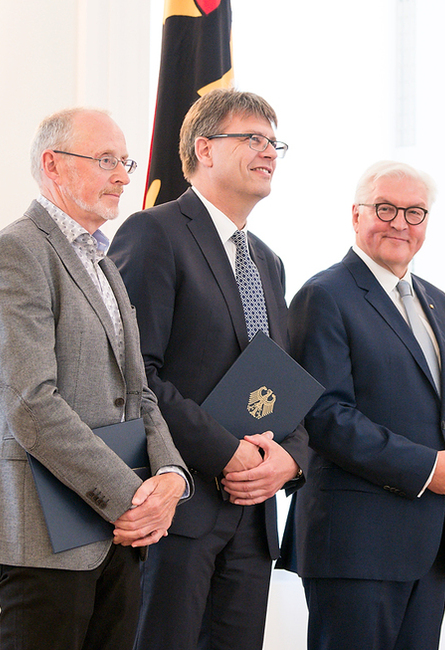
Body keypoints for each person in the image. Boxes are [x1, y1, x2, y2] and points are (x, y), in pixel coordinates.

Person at [0, 108, 191, 650]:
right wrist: (132, 500)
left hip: (119, 536)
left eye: (125, 161)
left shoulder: (103, 260)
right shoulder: (16, 251)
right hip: (47, 532)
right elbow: (33, 404)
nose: (124, 176)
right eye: (106, 160)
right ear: (53, 166)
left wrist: (173, 476)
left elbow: (139, 391)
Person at [108, 89, 309, 650]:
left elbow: (281, 381)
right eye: (253, 138)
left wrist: (289, 459)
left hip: (252, 521)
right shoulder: (155, 232)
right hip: (180, 511)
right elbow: (134, 376)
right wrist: (228, 452)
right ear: (205, 148)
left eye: (275, 142)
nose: (269, 151)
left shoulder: (268, 261)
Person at [284, 161, 445, 650]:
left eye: (414, 212)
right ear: (356, 216)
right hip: (355, 543)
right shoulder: (324, 295)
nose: (400, 223)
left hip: (429, 545)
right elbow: (325, 416)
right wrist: (427, 469)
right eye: (385, 208)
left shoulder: (440, 303)